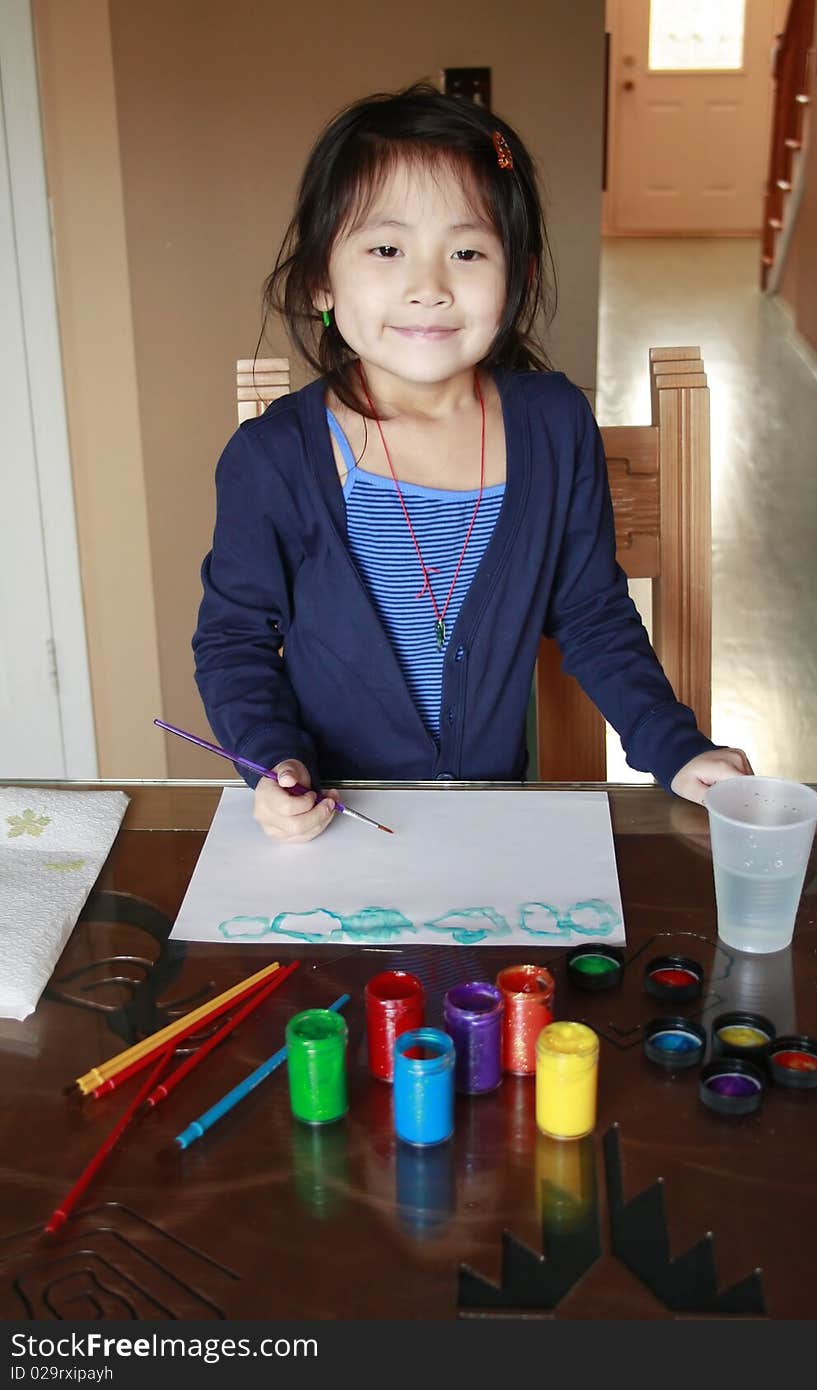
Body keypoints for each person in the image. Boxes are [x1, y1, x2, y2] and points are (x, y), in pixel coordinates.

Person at [193, 83, 752, 844]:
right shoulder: (273, 458)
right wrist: (271, 762)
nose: (429, 286)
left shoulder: (554, 426)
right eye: (386, 249)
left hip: (491, 830)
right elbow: (235, 642)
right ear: (323, 280)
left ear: (515, 277)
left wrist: (675, 746)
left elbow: (591, 614)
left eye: (467, 251)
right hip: (334, 826)